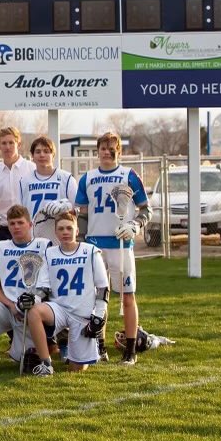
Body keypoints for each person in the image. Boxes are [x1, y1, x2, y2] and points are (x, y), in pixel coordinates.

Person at [74, 131, 150, 365]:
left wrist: (135, 226)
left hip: (120, 244)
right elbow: (82, 214)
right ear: (97, 151)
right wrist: (83, 240)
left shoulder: (129, 175)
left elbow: (146, 210)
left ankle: (130, 349)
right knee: (98, 298)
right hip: (96, 245)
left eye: (111, 148)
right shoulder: (87, 177)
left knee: (127, 296)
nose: (106, 152)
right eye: (102, 148)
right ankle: (100, 347)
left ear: (119, 151)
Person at [22, 211, 110, 375]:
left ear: (77, 231)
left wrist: (99, 315)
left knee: (76, 370)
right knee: (34, 312)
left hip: (82, 313)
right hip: (59, 309)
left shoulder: (91, 251)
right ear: (55, 232)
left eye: (69, 228)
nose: (65, 232)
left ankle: (75, 355)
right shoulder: (49, 253)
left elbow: (103, 288)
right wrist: (33, 298)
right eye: (61, 229)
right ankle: (46, 363)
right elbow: (43, 286)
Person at [0, 204, 51, 376]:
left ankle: (54, 350)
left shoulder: (44, 246)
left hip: (32, 307)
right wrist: (11, 305)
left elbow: (50, 284)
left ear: (30, 224)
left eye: (20, 223)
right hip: (7, 306)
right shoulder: (1, 248)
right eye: (12, 223)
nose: (16, 227)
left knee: (25, 358)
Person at [18, 136, 78, 242]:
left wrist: (68, 207)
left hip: (60, 237)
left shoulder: (66, 178)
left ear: (53, 155)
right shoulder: (24, 181)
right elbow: (21, 212)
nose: (42, 155)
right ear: (32, 156)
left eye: (46, 151)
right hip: (33, 236)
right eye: (38, 151)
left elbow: (78, 209)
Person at [0, 126, 37, 221]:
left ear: (18, 144)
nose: (7, 147)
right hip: (2, 229)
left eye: (11, 142)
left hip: (28, 226)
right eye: (4, 143)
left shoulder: (32, 169)